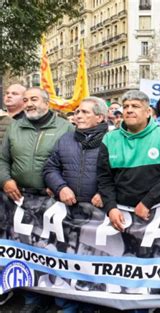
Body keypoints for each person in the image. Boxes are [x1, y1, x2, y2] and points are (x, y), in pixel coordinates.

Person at [0, 87, 74, 312]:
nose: (29, 103)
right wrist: (5, 181)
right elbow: (2, 159)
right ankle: (33, 298)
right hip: (19, 200)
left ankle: (61, 301)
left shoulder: (65, 127)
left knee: (54, 251)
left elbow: (71, 162)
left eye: (34, 99)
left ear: (47, 103)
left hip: (52, 202)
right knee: (26, 250)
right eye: (26, 100)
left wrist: (59, 185)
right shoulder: (15, 127)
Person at [97, 90, 160, 232]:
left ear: (148, 112)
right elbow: (104, 178)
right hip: (120, 216)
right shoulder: (109, 138)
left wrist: (147, 203)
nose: (129, 110)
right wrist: (110, 208)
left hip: (156, 213)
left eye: (135, 106)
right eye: (126, 106)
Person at [43, 97, 108, 208]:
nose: (78, 116)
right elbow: (50, 168)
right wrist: (61, 188)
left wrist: (105, 193)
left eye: (85, 112)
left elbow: (122, 175)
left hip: (100, 210)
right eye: (77, 112)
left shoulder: (112, 140)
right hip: (67, 208)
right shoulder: (65, 139)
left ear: (99, 117)